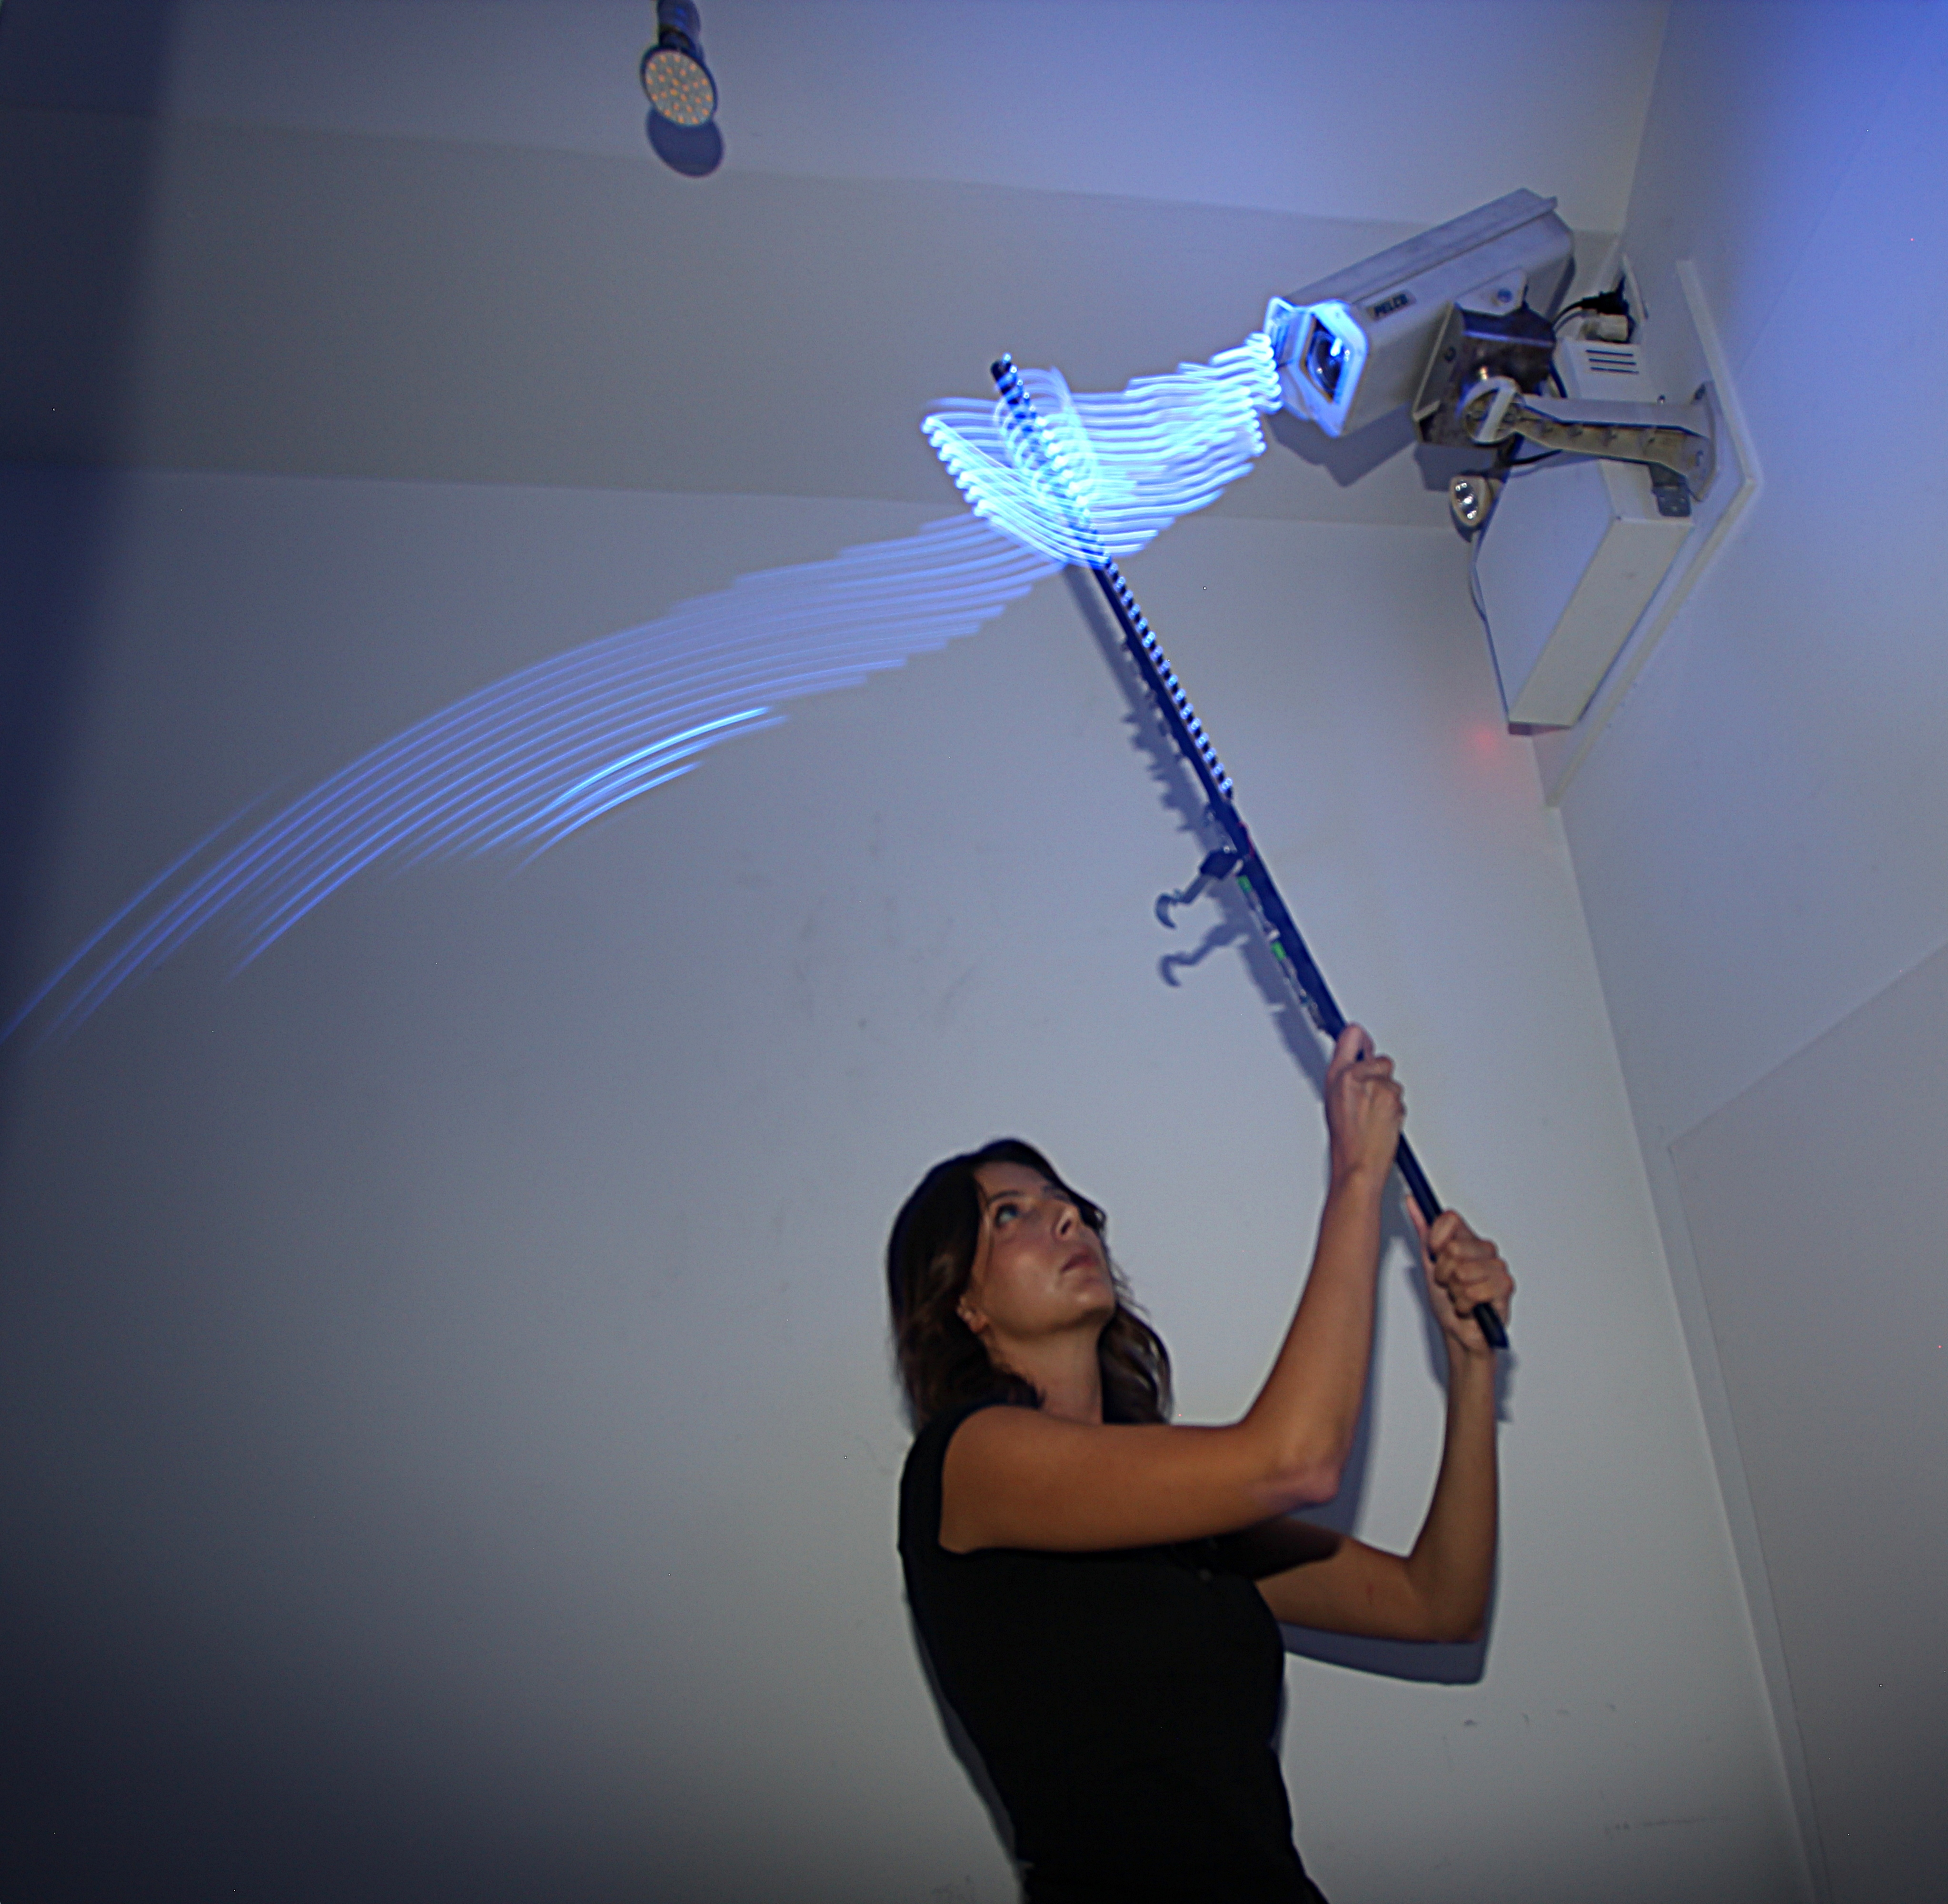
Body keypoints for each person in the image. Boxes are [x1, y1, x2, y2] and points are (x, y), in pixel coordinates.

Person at [887, 1026, 1513, 1904]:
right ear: (963, 1305)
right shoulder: (966, 1465)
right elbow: (1297, 1461)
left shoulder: (1182, 1523)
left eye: (1064, 1201)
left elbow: (1437, 1603)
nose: (1066, 1216)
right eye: (1009, 1215)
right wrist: (1355, 1180)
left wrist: (1472, 1367)